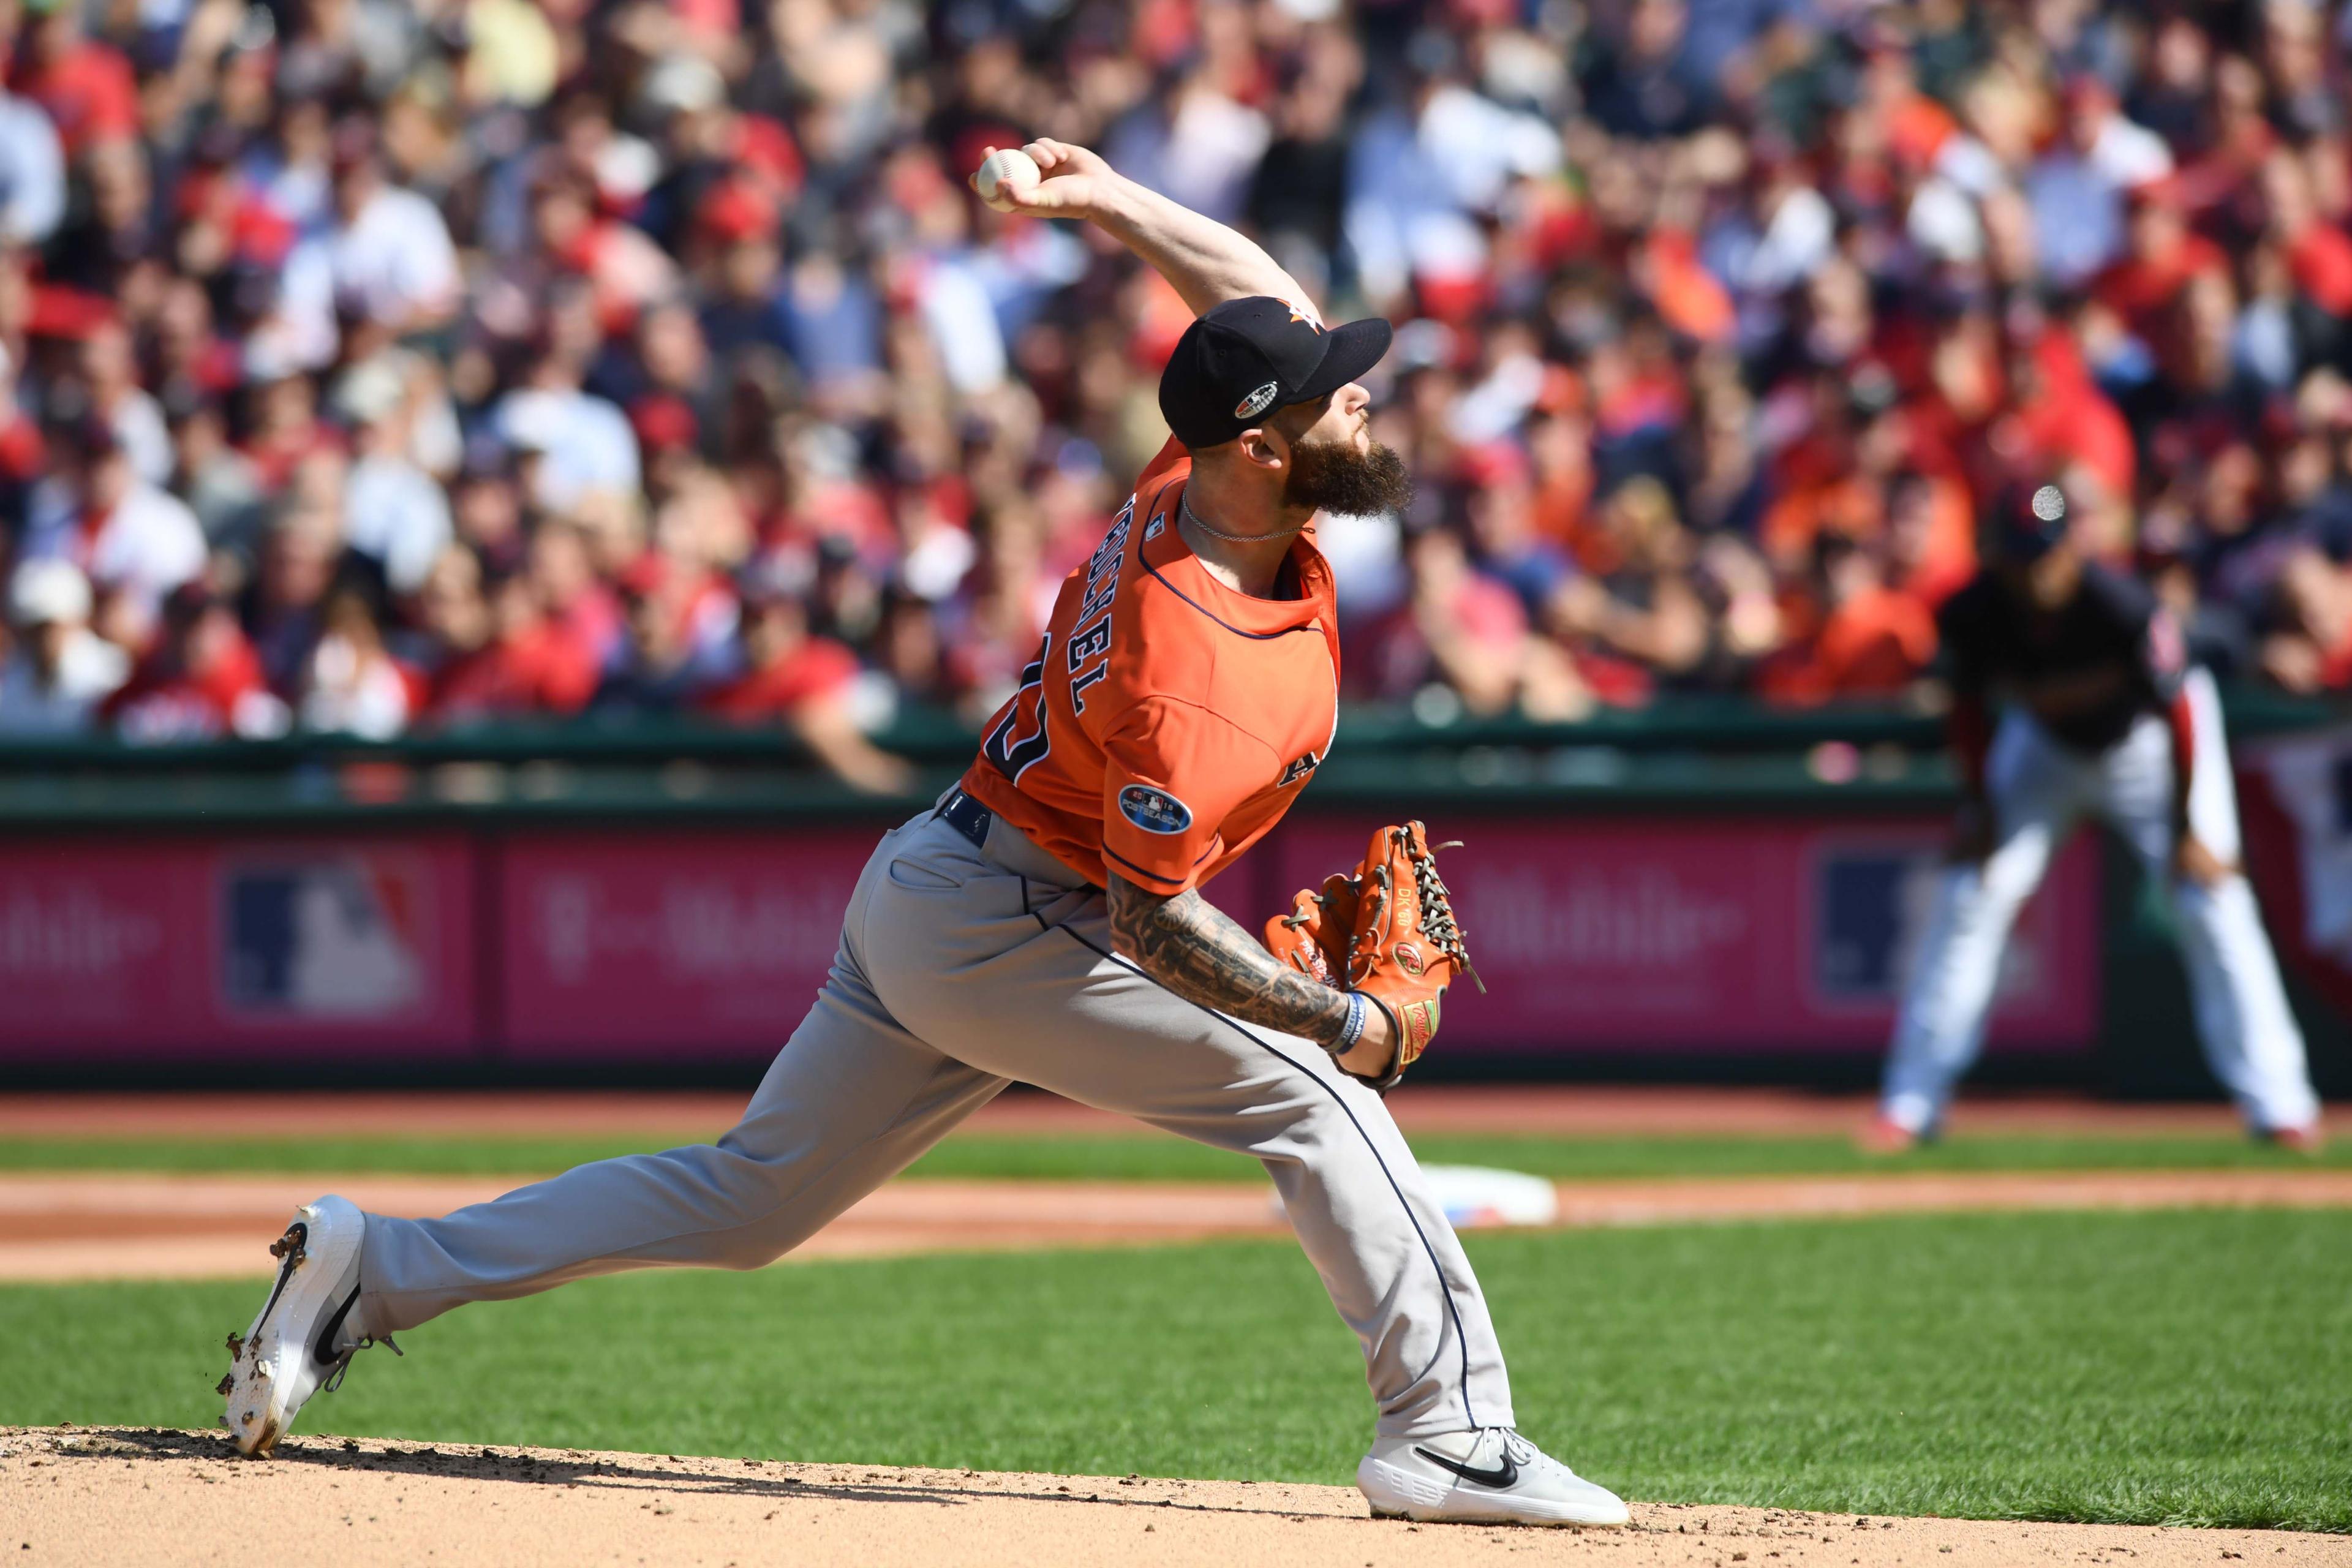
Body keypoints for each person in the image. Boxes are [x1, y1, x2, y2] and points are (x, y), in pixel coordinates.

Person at [217, 140, 1630, 1531]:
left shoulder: (1192, 484)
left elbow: (1252, 291)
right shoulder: (1187, 657)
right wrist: (1341, 1018)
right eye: (1336, 400)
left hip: (942, 880)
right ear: (1259, 446)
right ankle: (1448, 1431)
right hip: (1017, 921)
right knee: (1318, 1095)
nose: (1363, 398)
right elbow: (1146, 926)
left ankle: (378, 1266)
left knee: (748, 1196)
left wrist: (1107, 200)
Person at [1869, 483, 2323, 1152]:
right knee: (1972, 892)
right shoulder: (1972, 610)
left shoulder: (2122, 605)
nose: (2037, 571)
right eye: (2023, 555)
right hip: (2043, 748)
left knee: (2213, 898)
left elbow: (2182, 713)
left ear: (2074, 547)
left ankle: (2283, 1104)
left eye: (2047, 554)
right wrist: (1981, 807)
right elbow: (1966, 713)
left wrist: (2192, 827)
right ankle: (1910, 1103)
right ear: (1998, 554)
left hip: (2149, 746)